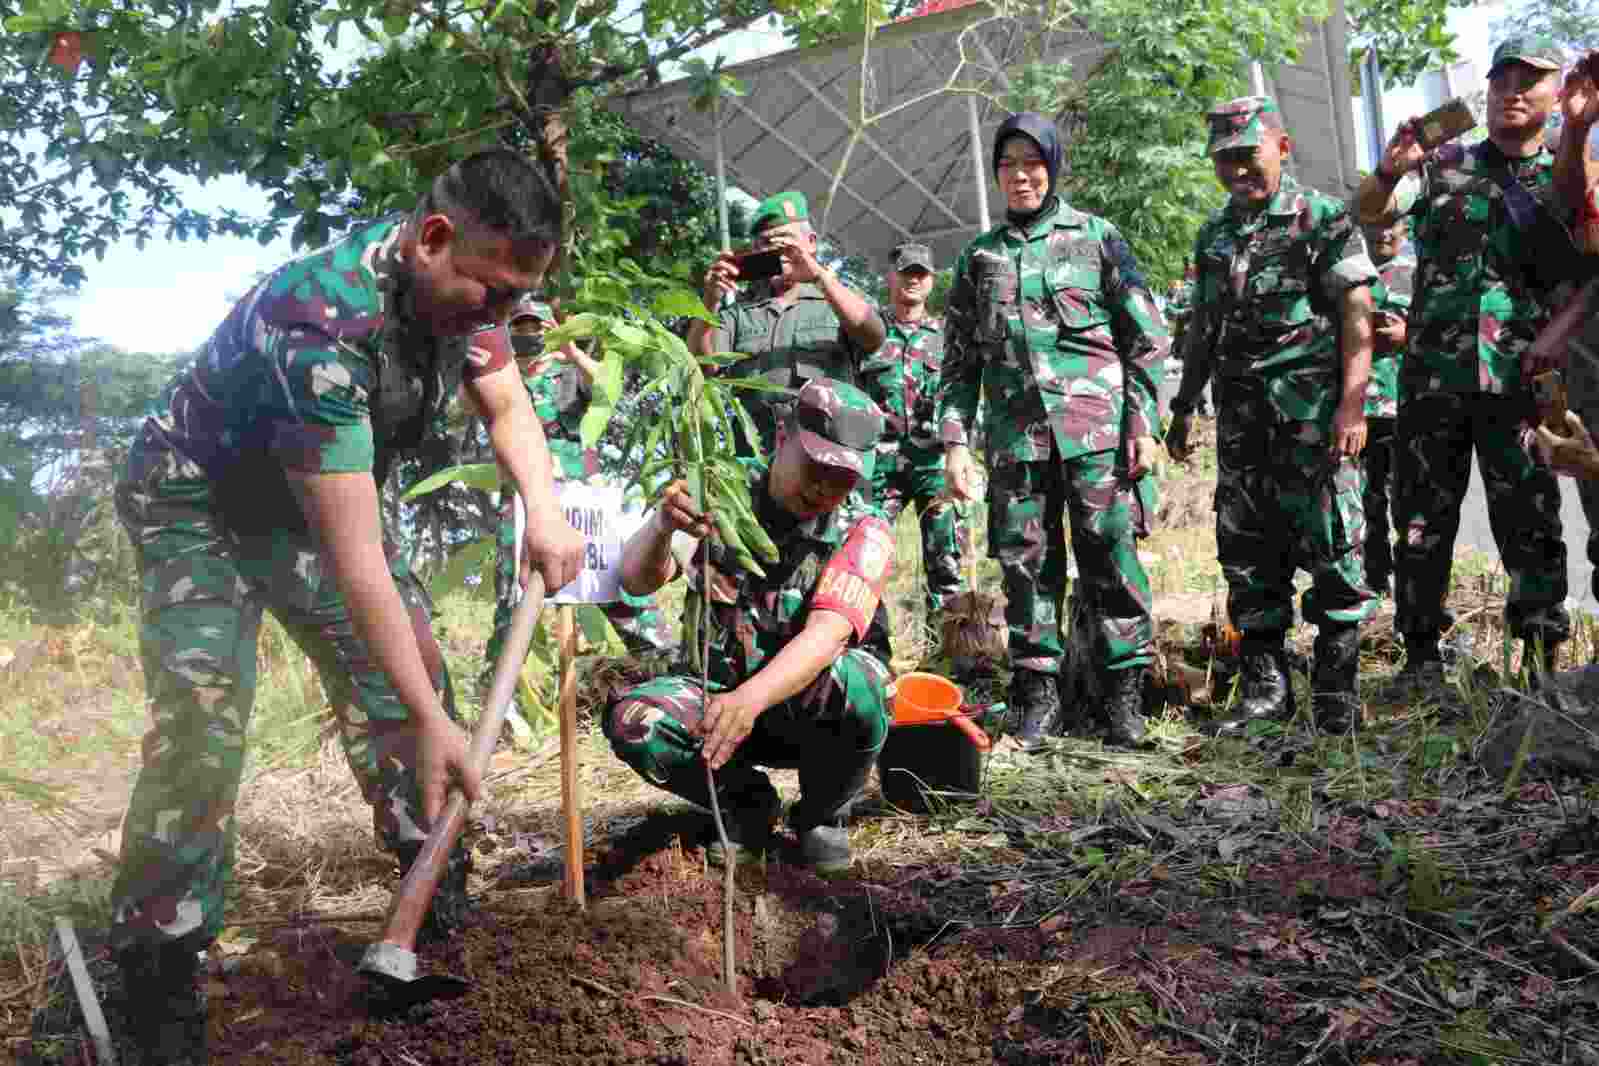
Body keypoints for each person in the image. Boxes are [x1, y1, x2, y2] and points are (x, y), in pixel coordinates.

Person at [109, 150, 585, 1063]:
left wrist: (549, 513)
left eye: (516, 299)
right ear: (432, 240)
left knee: (412, 681)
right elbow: (355, 555)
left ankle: (428, 897)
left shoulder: (470, 293)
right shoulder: (317, 325)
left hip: (309, 506)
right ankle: (158, 966)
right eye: (491, 293)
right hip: (195, 504)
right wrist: (427, 716)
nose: (500, 316)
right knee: (204, 719)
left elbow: (507, 404)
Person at [1355, 35, 1598, 692]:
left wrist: (1557, 333)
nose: (1513, 91)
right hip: (1433, 374)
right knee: (1418, 518)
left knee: (1529, 515)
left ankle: (1541, 660)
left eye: (1530, 80)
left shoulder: (1570, 174)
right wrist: (1386, 170)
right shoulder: (1442, 165)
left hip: (1523, 379)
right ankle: (1420, 657)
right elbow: (1369, 212)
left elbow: (1588, 272)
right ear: (1485, 91)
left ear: (1556, 94)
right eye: (1501, 80)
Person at [940, 112, 1168, 750]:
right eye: (1008, 165)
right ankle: (1036, 700)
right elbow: (958, 361)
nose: (1021, 176)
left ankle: (1125, 699)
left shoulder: (1097, 238)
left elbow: (1145, 339)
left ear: (1053, 167)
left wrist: (1142, 425)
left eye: (1032, 162)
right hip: (1017, 443)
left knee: (1112, 560)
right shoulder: (978, 258)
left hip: (1096, 436)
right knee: (1027, 569)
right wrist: (956, 443)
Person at [602, 379, 894, 876]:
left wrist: (751, 700)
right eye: (816, 465)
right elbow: (635, 578)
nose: (824, 486)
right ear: (783, 435)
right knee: (636, 721)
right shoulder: (721, 496)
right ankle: (745, 805)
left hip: (811, 715)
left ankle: (823, 815)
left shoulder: (864, 528)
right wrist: (662, 526)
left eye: (842, 475)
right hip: (717, 706)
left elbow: (827, 634)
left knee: (867, 684)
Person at [1167, 96, 1379, 735]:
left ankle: (1337, 692)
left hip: (1313, 422)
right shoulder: (1213, 235)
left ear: (1281, 148)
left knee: (1335, 549)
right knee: (1250, 555)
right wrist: (1181, 410)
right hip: (1241, 426)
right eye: (1225, 159)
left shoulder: (1322, 218)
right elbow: (1202, 327)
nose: (1237, 170)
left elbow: (1356, 315)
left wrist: (1351, 404)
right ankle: (1267, 690)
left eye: (1248, 156)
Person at [481, 296, 671, 694]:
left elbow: (614, 393)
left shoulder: (572, 374)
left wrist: (570, 351)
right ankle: (498, 700)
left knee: (620, 590)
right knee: (513, 602)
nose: (530, 338)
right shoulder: (504, 381)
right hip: (524, 505)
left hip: (584, 502)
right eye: (520, 330)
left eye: (538, 330)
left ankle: (669, 674)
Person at [688, 190, 886, 457]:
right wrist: (710, 299)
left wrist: (818, 277)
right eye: (765, 243)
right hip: (755, 457)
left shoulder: (836, 301)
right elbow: (701, 368)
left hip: (827, 456)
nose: (775, 251)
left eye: (786, 241)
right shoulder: (739, 312)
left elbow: (873, 335)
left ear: (811, 242)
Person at [856, 241, 968, 636]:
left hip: (933, 464)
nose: (913, 281)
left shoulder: (945, 337)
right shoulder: (867, 334)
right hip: (879, 465)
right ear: (891, 278)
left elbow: (963, 395)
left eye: (921, 274)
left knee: (947, 563)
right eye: (906, 273)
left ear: (931, 281)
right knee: (864, 558)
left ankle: (947, 649)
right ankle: (869, 646)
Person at [1360, 200, 1417, 597]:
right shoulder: (1349, 275)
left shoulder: (1419, 276)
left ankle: (1411, 587)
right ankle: (1374, 581)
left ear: (1406, 231)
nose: (1384, 232)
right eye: (1377, 223)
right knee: (1366, 501)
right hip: (1357, 411)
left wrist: (1407, 335)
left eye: (1393, 224)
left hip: (1407, 408)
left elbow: (1445, 332)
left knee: (1409, 501)